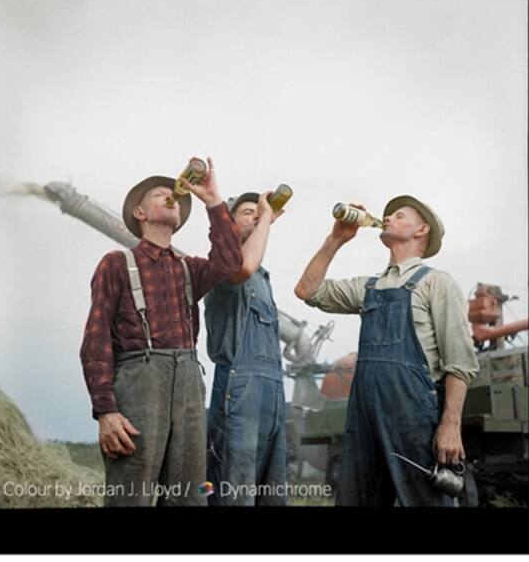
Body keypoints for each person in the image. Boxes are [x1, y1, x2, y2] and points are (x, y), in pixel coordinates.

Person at [294, 195, 478, 506]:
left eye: (400, 215)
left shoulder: (437, 283)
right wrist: (336, 239)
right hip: (364, 419)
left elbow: (459, 363)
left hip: (413, 418)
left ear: (421, 230)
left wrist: (450, 426)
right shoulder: (368, 287)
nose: (388, 218)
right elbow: (306, 290)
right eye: (388, 215)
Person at [79, 158, 242, 506]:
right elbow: (96, 341)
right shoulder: (116, 264)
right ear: (139, 213)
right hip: (138, 388)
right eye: (159, 194)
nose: (171, 197)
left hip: (189, 387)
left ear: (179, 219)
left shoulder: (189, 269)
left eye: (175, 195)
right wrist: (106, 412)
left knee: (192, 496)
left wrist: (213, 200)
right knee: (131, 495)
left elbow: (231, 263)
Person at [203, 191, 287, 506]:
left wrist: (264, 220)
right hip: (236, 391)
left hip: (271, 394)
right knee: (232, 490)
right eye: (248, 211)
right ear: (229, 225)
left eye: (259, 211)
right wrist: (266, 218)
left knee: (271, 492)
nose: (257, 215)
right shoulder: (220, 267)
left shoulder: (264, 279)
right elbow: (243, 267)